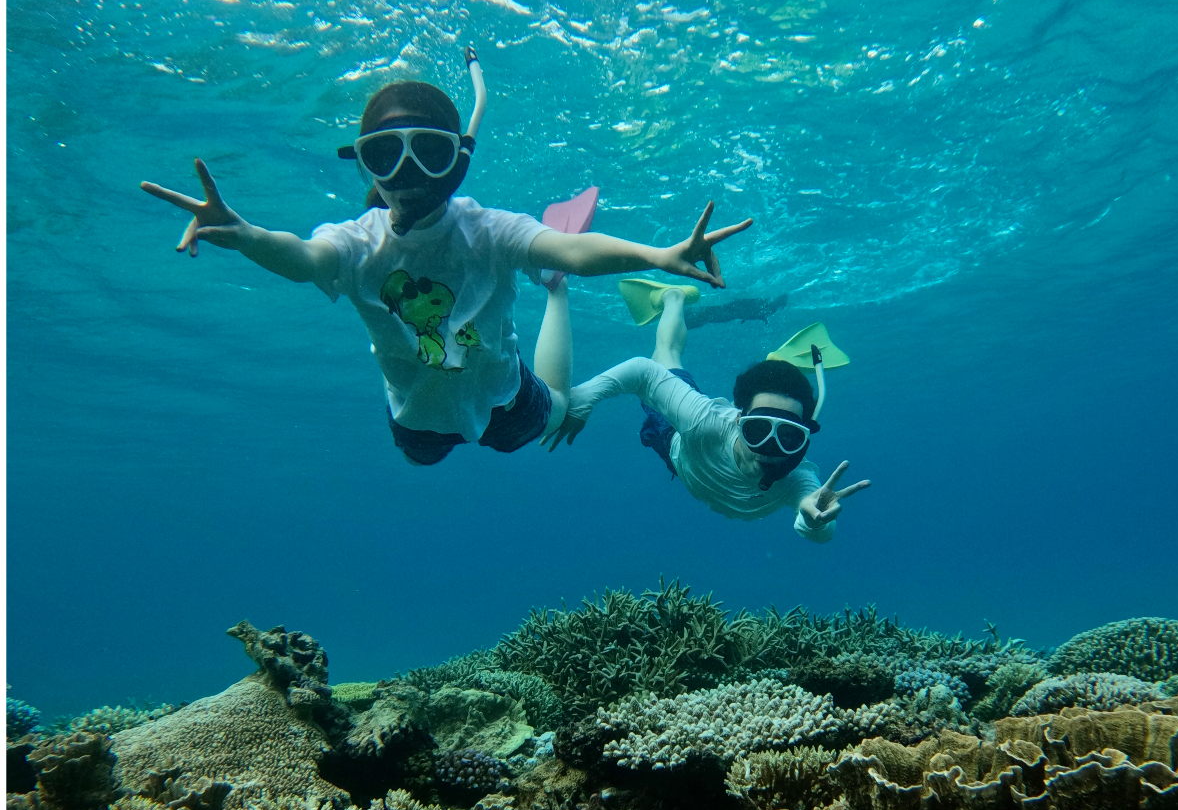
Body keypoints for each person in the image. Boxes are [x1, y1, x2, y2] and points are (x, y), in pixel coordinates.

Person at [140, 49, 752, 465]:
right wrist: (245, 234)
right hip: (414, 412)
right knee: (420, 456)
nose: (407, 174)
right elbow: (303, 258)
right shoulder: (355, 243)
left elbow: (571, 246)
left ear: (456, 164)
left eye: (429, 152)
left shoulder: (487, 230)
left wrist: (656, 254)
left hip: (503, 397)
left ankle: (553, 290)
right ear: (367, 168)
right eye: (385, 155)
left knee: (558, 409)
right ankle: (543, 292)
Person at [550, 286, 871, 542]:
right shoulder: (704, 420)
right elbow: (642, 372)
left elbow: (818, 525)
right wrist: (581, 399)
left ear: (802, 441)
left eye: (787, 436)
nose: (770, 450)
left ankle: (774, 362)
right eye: (758, 430)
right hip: (675, 438)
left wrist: (812, 521)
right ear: (738, 419)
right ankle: (672, 297)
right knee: (665, 355)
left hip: (686, 464)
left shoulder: (799, 481)